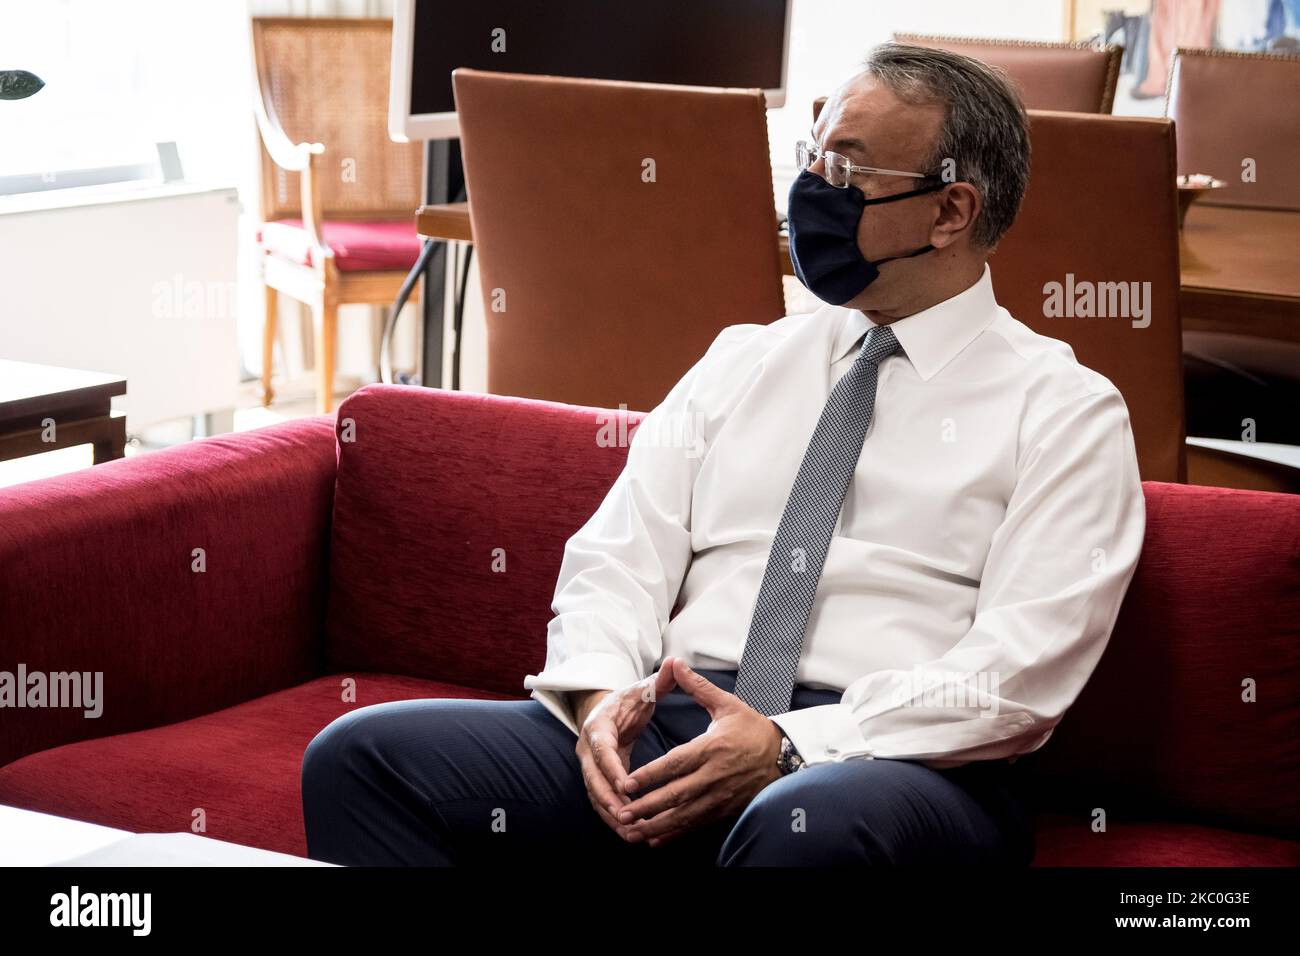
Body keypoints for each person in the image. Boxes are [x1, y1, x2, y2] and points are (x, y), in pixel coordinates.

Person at [300, 42, 1146, 867]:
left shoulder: (1067, 412)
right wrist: (598, 697)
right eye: (812, 159)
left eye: (847, 174)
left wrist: (788, 744)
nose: (812, 193)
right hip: (675, 720)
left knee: (806, 824)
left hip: (886, 763)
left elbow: (1019, 674)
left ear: (951, 211)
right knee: (363, 758)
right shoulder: (742, 360)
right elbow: (617, 557)